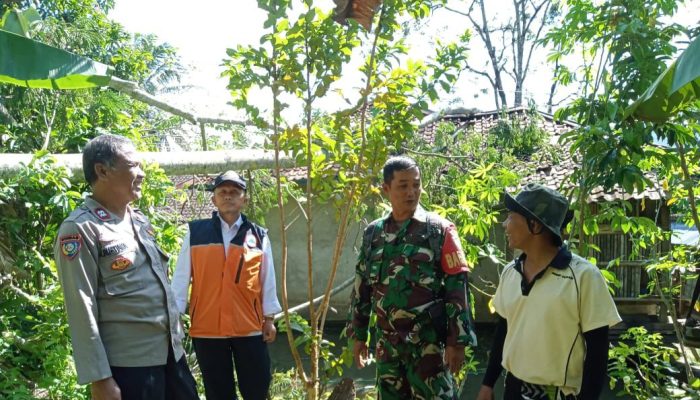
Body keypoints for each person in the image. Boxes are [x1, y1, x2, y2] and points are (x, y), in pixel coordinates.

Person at [54, 134, 199, 400]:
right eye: (133, 165)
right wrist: (100, 379)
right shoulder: (79, 229)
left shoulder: (139, 221)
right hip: (129, 366)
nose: (142, 174)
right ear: (102, 170)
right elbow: (80, 306)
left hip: (170, 355)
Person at [347, 155, 477, 400]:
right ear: (386, 189)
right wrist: (359, 334)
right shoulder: (373, 233)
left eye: (416, 184)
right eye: (403, 185)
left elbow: (457, 288)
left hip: (428, 346)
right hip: (388, 347)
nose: (412, 192)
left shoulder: (439, 230)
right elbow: (362, 286)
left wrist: (456, 342)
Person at [476, 183, 622, 400]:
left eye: (511, 217)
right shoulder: (510, 272)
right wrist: (488, 384)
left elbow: (597, 352)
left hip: (557, 394)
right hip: (514, 389)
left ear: (534, 224)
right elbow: (504, 331)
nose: (505, 225)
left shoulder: (583, 277)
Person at [172, 170, 282, 400]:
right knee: (218, 392)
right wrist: (176, 318)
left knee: (257, 388)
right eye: (222, 192)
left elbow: (266, 278)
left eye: (235, 192)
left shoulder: (258, 235)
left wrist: (269, 318)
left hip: (249, 327)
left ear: (244, 199)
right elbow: (181, 279)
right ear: (214, 199)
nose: (228, 196)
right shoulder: (195, 233)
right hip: (207, 327)